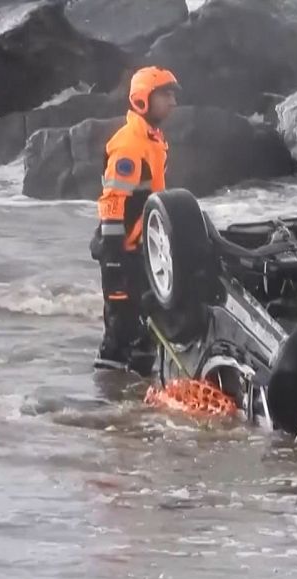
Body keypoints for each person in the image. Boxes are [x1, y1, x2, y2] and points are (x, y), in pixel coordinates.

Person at [90, 66, 180, 374]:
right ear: (143, 99)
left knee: (146, 331)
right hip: (122, 250)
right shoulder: (129, 145)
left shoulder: (153, 139)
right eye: (165, 95)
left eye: (172, 95)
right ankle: (107, 402)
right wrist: (114, 253)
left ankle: (136, 404)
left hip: (142, 248)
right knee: (121, 332)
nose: (173, 102)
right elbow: (113, 200)